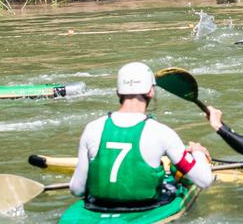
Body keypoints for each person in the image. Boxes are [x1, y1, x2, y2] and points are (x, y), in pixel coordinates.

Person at [69, 62, 213, 209]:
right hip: (146, 207)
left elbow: (77, 189)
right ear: (151, 92)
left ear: (118, 92)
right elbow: (204, 181)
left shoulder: (92, 128)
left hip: (98, 207)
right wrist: (197, 153)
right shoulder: (162, 132)